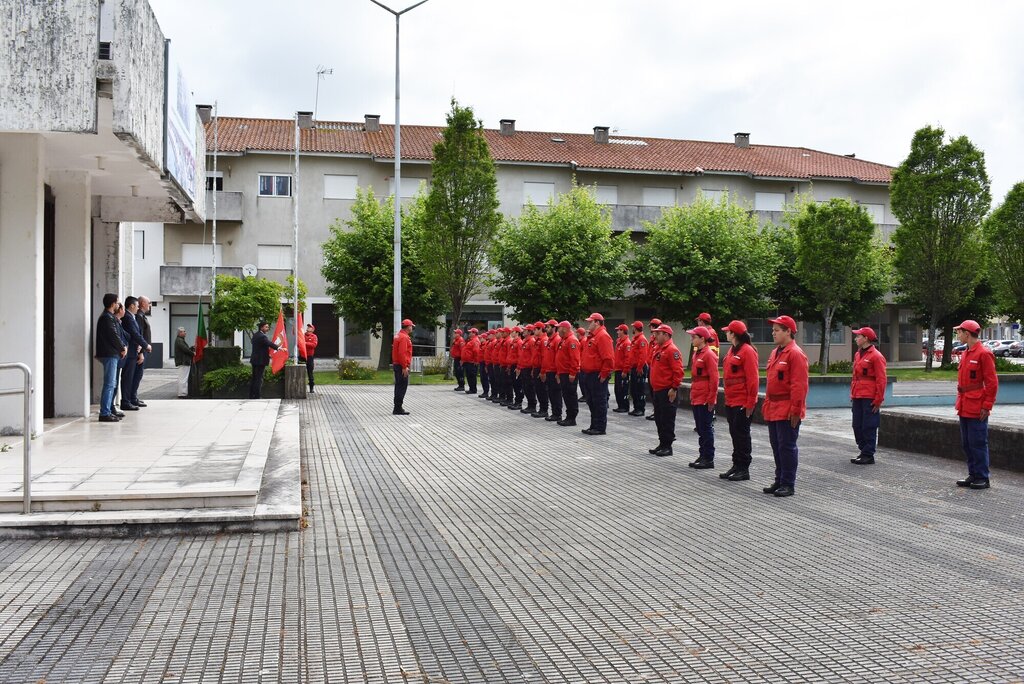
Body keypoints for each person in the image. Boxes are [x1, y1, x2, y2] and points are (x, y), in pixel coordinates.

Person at [761, 315, 809, 498]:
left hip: (787, 408)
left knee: (787, 446)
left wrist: (795, 410)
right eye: (773, 330)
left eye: (777, 330)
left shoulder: (795, 354)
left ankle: (788, 483)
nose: (773, 333)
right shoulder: (776, 352)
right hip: (774, 407)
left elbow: (799, 385)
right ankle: (779, 479)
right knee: (776, 445)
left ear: (789, 331)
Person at [953, 319, 998, 489]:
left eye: (959, 332)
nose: (958, 335)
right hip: (965, 404)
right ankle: (973, 474)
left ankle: (982, 477)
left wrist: (987, 405)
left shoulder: (983, 353)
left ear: (967, 333)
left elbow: (992, 383)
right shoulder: (966, 352)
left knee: (978, 442)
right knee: (967, 443)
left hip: (977, 405)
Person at [719, 320, 759, 482]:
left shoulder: (747, 351)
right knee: (735, 434)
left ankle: (744, 468)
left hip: (742, 401)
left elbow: (753, 379)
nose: (726, 333)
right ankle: (736, 465)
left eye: (728, 331)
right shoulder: (732, 350)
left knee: (742, 435)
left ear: (734, 334)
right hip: (731, 400)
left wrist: (750, 403)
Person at [850, 326, 887, 465]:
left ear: (866, 338)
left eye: (858, 336)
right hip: (857, 395)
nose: (856, 338)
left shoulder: (876, 356)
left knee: (869, 425)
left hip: (869, 396)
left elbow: (881, 379)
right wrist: (852, 393)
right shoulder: (858, 354)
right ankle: (863, 450)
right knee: (857, 425)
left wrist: (878, 399)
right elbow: (855, 377)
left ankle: (868, 454)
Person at [648, 325, 684, 456]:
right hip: (658, 389)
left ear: (666, 335)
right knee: (659, 418)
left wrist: (674, 388)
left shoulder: (671, 350)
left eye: (658, 333)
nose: (655, 336)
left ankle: (667, 446)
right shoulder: (659, 348)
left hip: (667, 390)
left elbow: (678, 371)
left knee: (667, 419)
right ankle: (662, 443)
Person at [686, 326, 719, 469]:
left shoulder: (708, 354)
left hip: (705, 396)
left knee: (706, 428)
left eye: (694, 337)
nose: (692, 339)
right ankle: (703, 454)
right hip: (697, 395)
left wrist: (711, 398)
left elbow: (714, 378)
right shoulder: (697, 354)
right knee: (700, 428)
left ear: (702, 339)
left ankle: (708, 458)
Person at [580, 313, 614, 436]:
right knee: (591, 401)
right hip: (589, 374)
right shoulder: (593, 336)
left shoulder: (602, 336)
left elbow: (608, 358)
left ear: (597, 322)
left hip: (597, 375)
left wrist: (604, 374)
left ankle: (600, 427)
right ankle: (594, 425)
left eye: (591, 322)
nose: (588, 324)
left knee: (599, 401)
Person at [95, 293, 127, 422]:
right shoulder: (107, 318)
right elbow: (113, 335)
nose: (119, 305)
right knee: (109, 384)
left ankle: (108, 410)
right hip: (109, 354)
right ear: (113, 304)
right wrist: (122, 347)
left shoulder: (109, 317)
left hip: (111, 353)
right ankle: (105, 413)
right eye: (118, 302)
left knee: (112, 383)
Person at [119, 296, 148, 411]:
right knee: (127, 377)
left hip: (133, 351)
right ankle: (126, 401)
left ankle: (130, 399)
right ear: (131, 306)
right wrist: (145, 346)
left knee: (131, 377)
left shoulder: (132, 317)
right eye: (136, 306)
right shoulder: (128, 318)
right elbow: (134, 334)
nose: (138, 308)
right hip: (130, 352)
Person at [127, 296, 153, 408]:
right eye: (149, 303)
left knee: (138, 375)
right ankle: (132, 398)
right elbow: (138, 334)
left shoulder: (141, 316)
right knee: (136, 375)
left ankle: (134, 397)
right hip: (139, 351)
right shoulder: (138, 317)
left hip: (142, 349)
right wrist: (141, 352)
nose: (150, 305)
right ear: (142, 303)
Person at [555, 321, 581, 427]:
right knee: (566, 395)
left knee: (570, 395)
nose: (557, 330)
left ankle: (572, 418)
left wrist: (572, 373)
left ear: (564, 329)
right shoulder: (564, 340)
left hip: (569, 373)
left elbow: (575, 359)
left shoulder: (572, 340)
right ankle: (568, 417)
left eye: (559, 328)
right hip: (563, 372)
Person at [250, 320, 279, 400]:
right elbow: (269, 343)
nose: (267, 328)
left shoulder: (255, 335)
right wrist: (278, 348)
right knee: (259, 379)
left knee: (254, 378)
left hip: (254, 360)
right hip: (260, 361)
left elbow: (260, 347)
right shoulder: (262, 336)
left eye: (268, 327)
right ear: (261, 327)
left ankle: (252, 395)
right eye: (266, 327)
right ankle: (257, 396)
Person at [392, 319, 415, 414]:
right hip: (401, 365)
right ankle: (398, 408)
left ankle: (397, 407)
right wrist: (404, 366)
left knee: (398, 386)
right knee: (402, 386)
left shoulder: (398, 336)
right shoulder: (404, 337)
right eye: (411, 326)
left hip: (397, 364)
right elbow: (402, 353)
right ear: (408, 327)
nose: (412, 328)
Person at [542, 320, 563, 422]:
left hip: (554, 371)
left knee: (556, 393)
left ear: (554, 328)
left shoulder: (557, 340)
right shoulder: (549, 340)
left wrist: (558, 373)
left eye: (548, 327)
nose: (546, 329)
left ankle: (557, 413)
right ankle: (554, 412)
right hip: (549, 370)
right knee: (551, 393)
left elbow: (558, 358)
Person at [629, 321, 648, 417]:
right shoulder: (635, 339)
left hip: (639, 368)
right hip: (634, 367)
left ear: (635, 328)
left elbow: (643, 355)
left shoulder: (641, 340)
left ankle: (640, 408)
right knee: (634, 389)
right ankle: (636, 407)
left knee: (640, 389)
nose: (632, 329)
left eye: (633, 327)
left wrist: (640, 367)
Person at [612, 324, 632, 413]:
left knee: (623, 389)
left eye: (619, 330)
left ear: (623, 331)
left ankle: (624, 406)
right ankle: (620, 405)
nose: (617, 332)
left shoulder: (627, 343)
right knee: (618, 389)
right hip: (618, 369)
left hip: (622, 370)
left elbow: (628, 358)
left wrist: (625, 370)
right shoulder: (620, 342)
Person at [646, 318, 662, 421]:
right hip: (651, 368)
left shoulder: (659, 341)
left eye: (651, 327)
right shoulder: (653, 339)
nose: (650, 329)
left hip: (655, 369)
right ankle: (656, 411)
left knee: (656, 393)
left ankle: (658, 413)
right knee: (652, 392)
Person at [518, 325, 537, 414]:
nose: (523, 331)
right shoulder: (525, 341)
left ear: (529, 331)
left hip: (528, 368)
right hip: (524, 367)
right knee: (526, 387)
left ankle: (532, 406)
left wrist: (532, 368)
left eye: (525, 330)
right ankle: (530, 405)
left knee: (530, 388)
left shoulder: (531, 341)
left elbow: (533, 355)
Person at [173, 326, 195, 398]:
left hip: (183, 361)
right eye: (184, 331)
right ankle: (182, 394)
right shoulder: (179, 340)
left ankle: (183, 393)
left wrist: (191, 348)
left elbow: (185, 349)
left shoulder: (180, 340)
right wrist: (192, 353)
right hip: (183, 362)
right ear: (180, 333)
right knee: (183, 378)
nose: (185, 333)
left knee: (183, 378)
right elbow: (185, 349)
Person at [462, 327, 480, 394]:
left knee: (472, 376)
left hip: (472, 362)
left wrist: (476, 361)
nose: (469, 333)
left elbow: (476, 352)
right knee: (469, 376)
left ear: (474, 333)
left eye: (470, 332)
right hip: (468, 361)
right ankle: (471, 388)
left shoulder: (475, 341)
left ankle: (473, 389)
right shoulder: (471, 340)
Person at [302, 323, 319, 393]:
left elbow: (314, 345)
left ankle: (311, 388)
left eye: (310, 327)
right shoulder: (303, 335)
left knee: (310, 372)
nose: (308, 327)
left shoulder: (314, 336)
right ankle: (301, 387)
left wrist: (305, 343)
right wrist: (305, 343)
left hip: (309, 357)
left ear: (312, 329)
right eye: (308, 327)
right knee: (300, 372)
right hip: (302, 356)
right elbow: (299, 343)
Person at [478, 330, 491, 399]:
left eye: (481, 338)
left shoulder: (485, 345)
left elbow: (486, 355)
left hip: (484, 363)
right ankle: (484, 391)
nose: (480, 339)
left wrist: (486, 364)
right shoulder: (481, 345)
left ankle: (486, 392)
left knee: (485, 378)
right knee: (482, 378)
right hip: (481, 362)